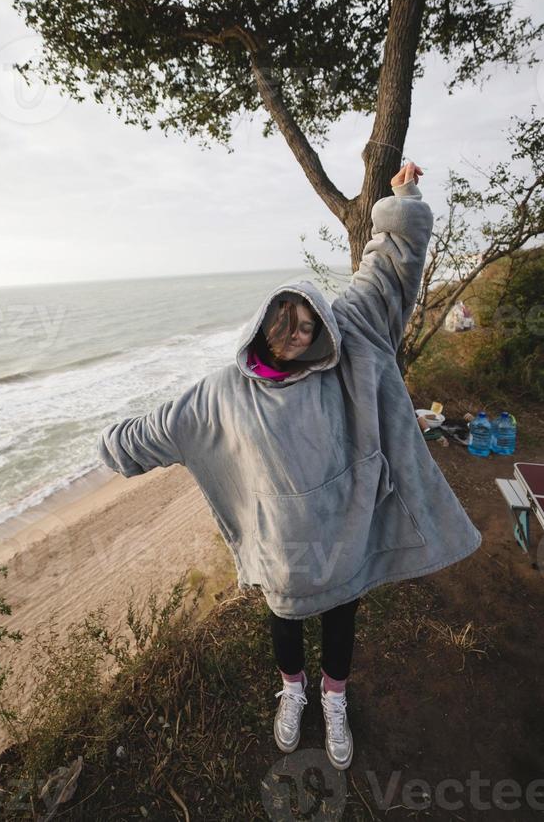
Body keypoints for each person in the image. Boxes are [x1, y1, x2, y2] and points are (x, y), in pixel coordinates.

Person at [97, 161, 482, 770]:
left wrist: (404, 200)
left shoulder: (350, 343)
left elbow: (387, 271)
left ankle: (334, 701)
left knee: (340, 620)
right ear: (263, 328)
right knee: (284, 620)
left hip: (349, 530)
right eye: (288, 326)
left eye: (309, 325)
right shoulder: (224, 393)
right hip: (285, 547)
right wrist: (114, 447)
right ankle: (292, 692)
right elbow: (164, 427)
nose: (300, 336)